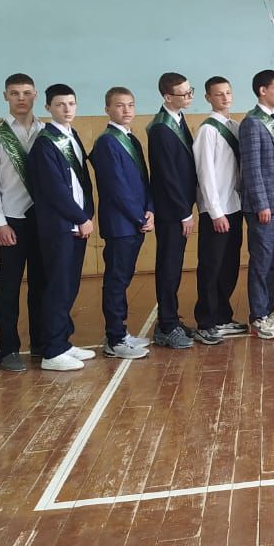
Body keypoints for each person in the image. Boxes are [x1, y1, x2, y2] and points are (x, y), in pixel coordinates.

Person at [26, 84, 95, 372]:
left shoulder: (71, 135)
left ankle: (63, 341)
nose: (67, 109)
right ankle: (52, 350)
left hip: (77, 224)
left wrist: (86, 215)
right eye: (60, 104)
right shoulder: (45, 143)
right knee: (57, 286)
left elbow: (82, 182)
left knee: (69, 285)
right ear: (48, 108)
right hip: (59, 226)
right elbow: (53, 190)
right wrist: (79, 217)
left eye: (71, 103)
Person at [0, 72, 45, 372]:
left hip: (42, 220)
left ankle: (41, 342)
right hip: (12, 220)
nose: (21, 98)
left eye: (27, 93)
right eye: (15, 93)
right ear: (5, 96)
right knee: (9, 286)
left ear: (35, 96)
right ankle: (9, 348)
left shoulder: (46, 131)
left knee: (41, 283)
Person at [89, 87, 154, 360]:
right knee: (116, 281)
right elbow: (116, 187)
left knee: (123, 278)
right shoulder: (106, 142)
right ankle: (114, 338)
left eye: (130, 104)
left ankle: (121, 332)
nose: (126, 110)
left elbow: (143, 180)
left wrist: (150, 210)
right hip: (121, 224)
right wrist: (139, 217)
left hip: (136, 221)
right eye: (119, 105)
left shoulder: (132, 139)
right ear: (107, 109)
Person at [192, 76, 249, 344]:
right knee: (211, 266)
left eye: (228, 93)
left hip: (234, 206)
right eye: (218, 94)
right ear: (208, 98)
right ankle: (206, 321)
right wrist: (215, 212)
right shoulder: (208, 130)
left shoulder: (234, 127)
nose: (225, 98)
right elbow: (205, 174)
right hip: (217, 211)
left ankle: (223, 316)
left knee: (229, 265)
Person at [240, 69, 274, 339]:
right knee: (262, 261)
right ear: (263, 90)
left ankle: (268, 310)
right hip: (264, 206)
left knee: (273, 261)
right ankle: (258, 316)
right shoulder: (252, 122)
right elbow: (251, 169)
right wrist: (261, 204)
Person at [147, 71, 198, 350]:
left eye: (190, 91)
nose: (189, 96)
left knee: (175, 265)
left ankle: (172, 318)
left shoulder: (177, 118)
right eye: (184, 93)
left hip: (180, 207)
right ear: (168, 97)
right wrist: (183, 212)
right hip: (172, 211)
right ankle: (166, 326)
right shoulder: (160, 128)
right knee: (168, 266)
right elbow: (167, 175)